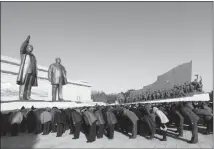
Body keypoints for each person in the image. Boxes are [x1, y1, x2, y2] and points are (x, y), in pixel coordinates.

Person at [17, 35, 38, 100]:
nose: (31, 48)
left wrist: (35, 72)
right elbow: (22, 48)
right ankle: (21, 96)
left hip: (32, 72)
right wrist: (27, 41)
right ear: (26, 48)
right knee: (23, 84)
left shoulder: (33, 56)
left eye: (32, 48)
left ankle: (27, 96)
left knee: (29, 86)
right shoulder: (23, 54)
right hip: (25, 72)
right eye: (29, 47)